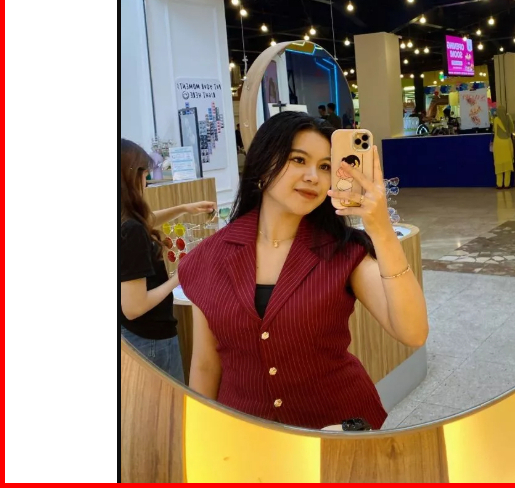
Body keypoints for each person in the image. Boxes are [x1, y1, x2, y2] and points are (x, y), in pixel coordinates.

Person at [178, 112, 428, 430]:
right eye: (298, 160)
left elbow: (412, 332)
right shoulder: (208, 257)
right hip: (247, 435)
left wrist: (381, 230)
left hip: (336, 431)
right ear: (262, 165)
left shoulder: (343, 251)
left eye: (325, 167)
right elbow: (205, 364)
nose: (313, 177)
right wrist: (200, 436)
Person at [120, 139, 216, 381]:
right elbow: (134, 308)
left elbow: (143, 222)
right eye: (145, 175)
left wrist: (183, 208)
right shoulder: (131, 231)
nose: (146, 182)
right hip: (149, 337)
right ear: (132, 177)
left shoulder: (124, 220)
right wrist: (180, 275)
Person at [492, 106, 514, 189]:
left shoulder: (496, 119)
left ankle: (499, 184)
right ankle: (507, 184)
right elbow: (512, 129)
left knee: (499, 164)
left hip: (498, 143)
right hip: (507, 142)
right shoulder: (508, 118)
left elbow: (494, 130)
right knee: (508, 163)